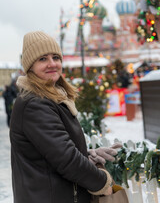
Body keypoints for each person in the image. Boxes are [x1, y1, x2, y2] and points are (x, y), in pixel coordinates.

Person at [10, 31, 122, 203]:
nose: (52, 64)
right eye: (42, 59)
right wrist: (102, 182)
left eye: (56, 57)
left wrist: (87, 154)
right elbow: (66, 158)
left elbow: (53, 150)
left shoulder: (52, 97)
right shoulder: (34, 103)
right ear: (30, 66)